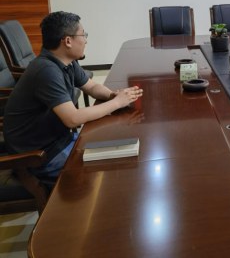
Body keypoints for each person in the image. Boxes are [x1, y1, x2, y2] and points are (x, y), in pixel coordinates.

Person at [3, 11, 144, 181]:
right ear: (68, 41)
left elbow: (91, 86)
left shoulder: (66, 62)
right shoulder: (46, 71)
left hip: (60, 140)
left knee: (124, 149)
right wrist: (117, 103)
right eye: (82, 35)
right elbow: (72, 119)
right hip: (39, 156)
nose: (85, 40)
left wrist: (112, 95)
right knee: (114, 170)